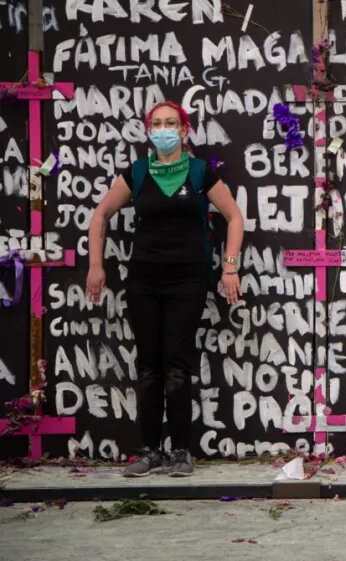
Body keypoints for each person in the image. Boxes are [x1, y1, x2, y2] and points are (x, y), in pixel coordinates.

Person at [86, 101, 244, 477]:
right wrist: (96, 264)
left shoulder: (200, 172)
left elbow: (234, 217)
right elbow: (100, 215)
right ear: (148, 130)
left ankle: (180, 451)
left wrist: (230, 266)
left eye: (171, 123)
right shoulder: (138, 172)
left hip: (188, 280)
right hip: (143, 281)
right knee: (148, 368)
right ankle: (148, 450)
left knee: (176, 365)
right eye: (157, 123)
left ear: (185, 130)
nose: (163, 128)